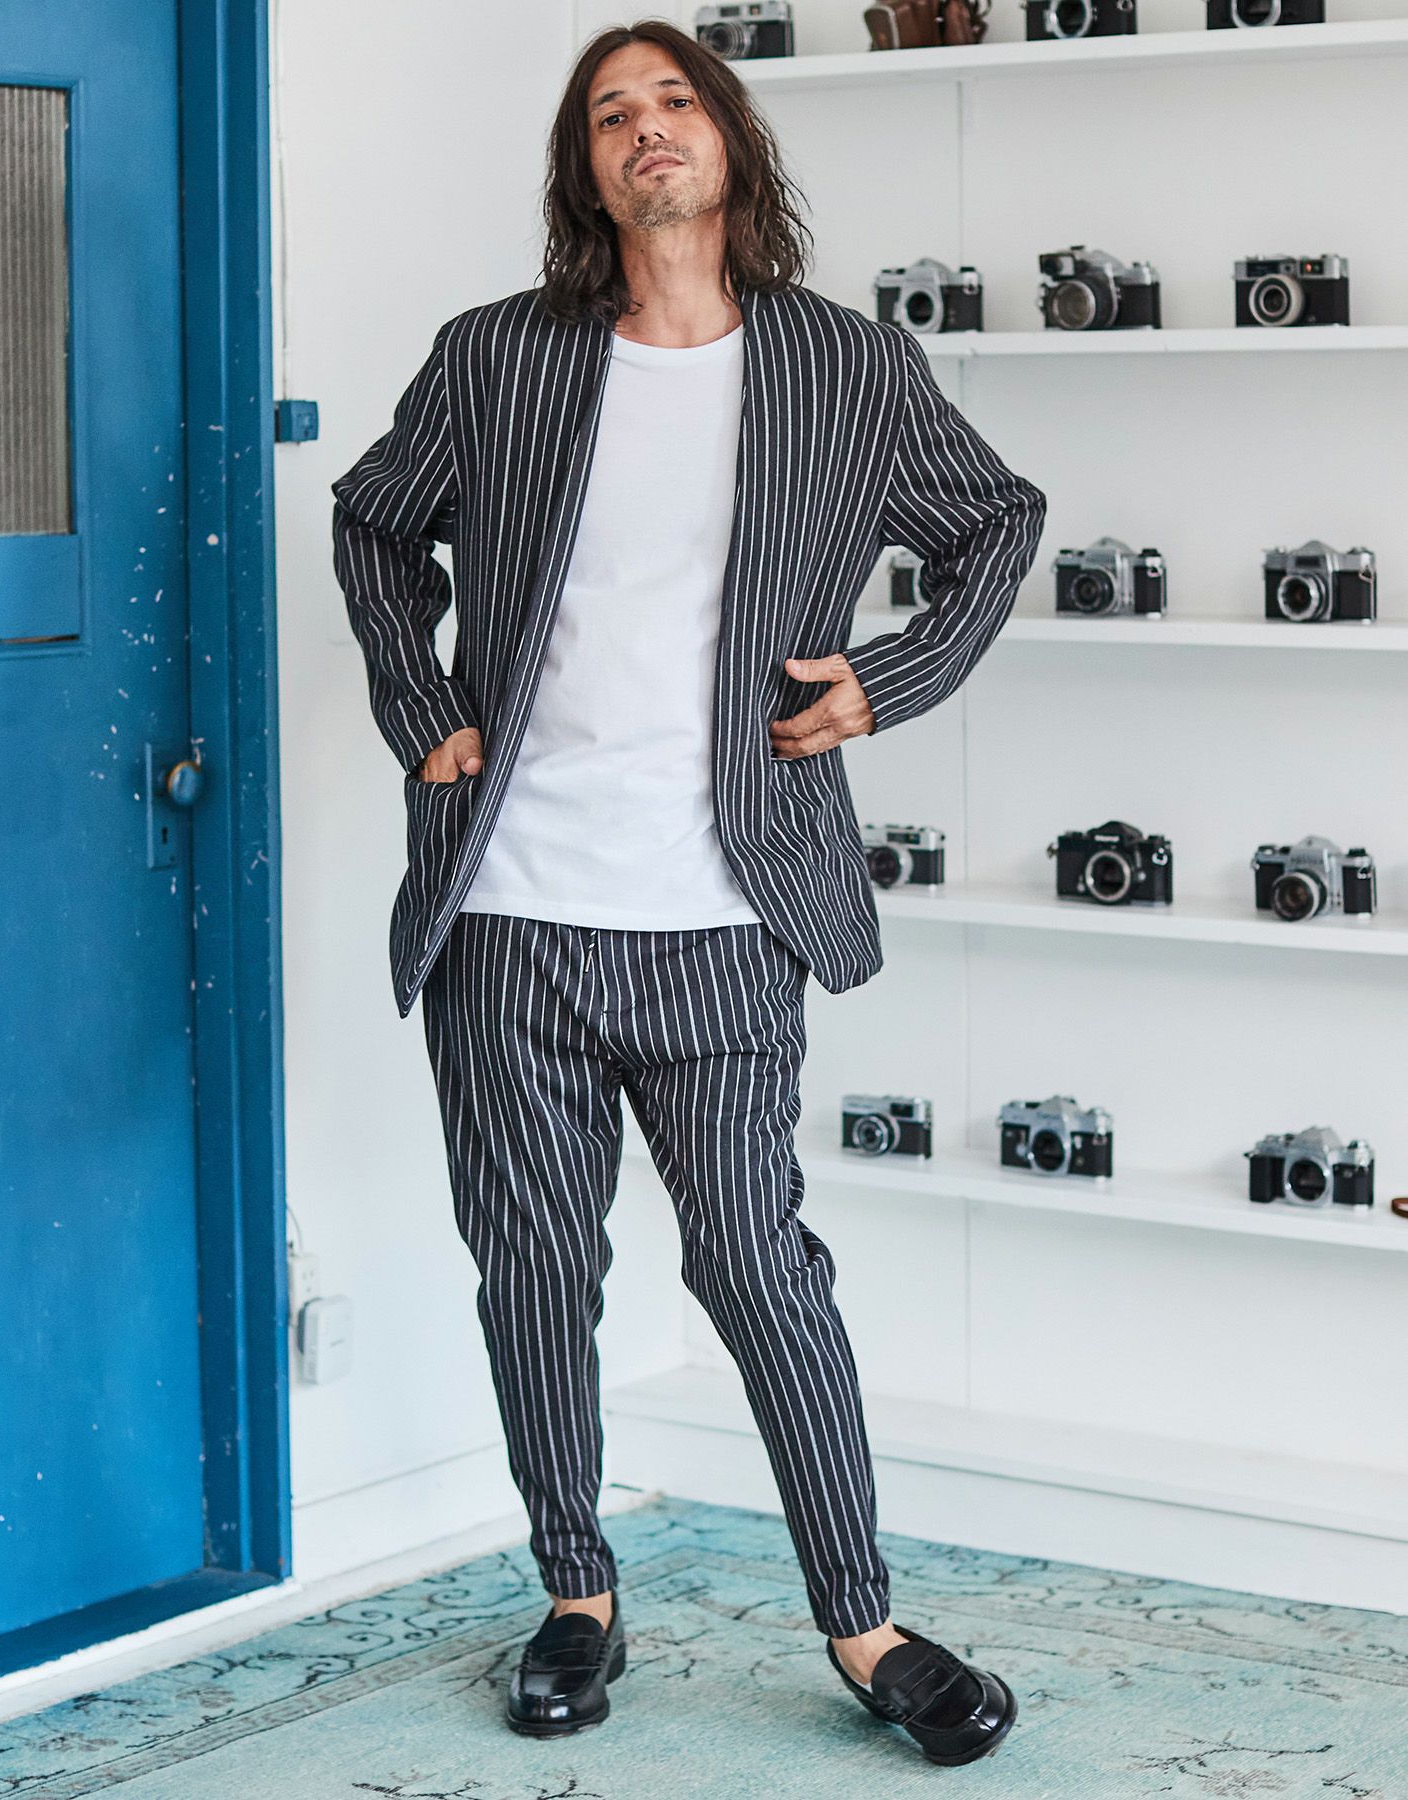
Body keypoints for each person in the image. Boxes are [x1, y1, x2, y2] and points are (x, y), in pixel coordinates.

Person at [331, 16, 1045, 1765]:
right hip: (512, 913)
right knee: (532, 1267)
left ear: (728, 140)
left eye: (673, 101)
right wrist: (423, 713)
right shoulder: (497, 357)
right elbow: (372, 520)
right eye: (611, 114)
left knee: (755, 1265)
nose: (646, 129)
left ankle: (864, 1626)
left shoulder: (842, 365)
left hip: (729, 912)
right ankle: (577, 1596)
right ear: (587, 170)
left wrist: (888, 681)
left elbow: (997, 519)